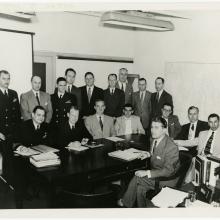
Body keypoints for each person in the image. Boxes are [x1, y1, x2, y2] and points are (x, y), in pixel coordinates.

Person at [118, 117, 180, 207]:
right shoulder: (154, 138)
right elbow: (156, 152)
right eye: (152, 127)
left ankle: (125, 203)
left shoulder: (171, 147)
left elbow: (168, 171)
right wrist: (148, 154)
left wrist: (147, 172)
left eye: (156, 127)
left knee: (137, 178)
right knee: (140, 188)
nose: (152, 130)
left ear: (164, 130)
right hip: (158, 174)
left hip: (168, 179)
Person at [0, 70, 21, 142]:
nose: (7, 81)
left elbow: (18, 113)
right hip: (1, 132)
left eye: (8, 78)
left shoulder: (14, 93)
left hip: (13, 132)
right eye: (4, 78)